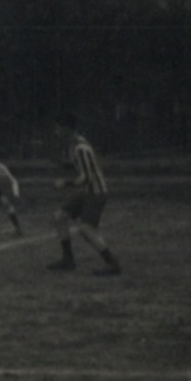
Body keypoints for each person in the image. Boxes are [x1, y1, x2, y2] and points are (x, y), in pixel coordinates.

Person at [49, 114, 122, 275]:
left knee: (86, 229)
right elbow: (82, 167)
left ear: (66, 129)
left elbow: (87, 177)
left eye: (58, 128)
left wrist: (66, 183)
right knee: (59, 216)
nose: (56, 132)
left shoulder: (80, 147)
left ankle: (112, 264)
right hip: (89, 191)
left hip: (96, 192)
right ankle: (68, 259)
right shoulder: (75, 144)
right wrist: (65, 165)